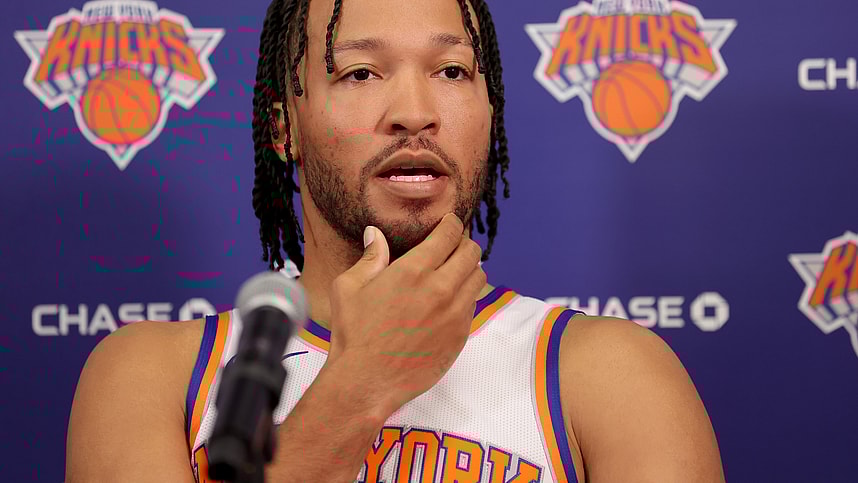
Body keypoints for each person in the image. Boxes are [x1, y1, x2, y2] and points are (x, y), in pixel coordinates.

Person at [65, 0, 725, 481]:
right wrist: (358, 386)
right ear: (281, 128)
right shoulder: (154, 374)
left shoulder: (611, 373)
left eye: (451, 71)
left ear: (489, 115)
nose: (415, 111)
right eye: (360, 73)